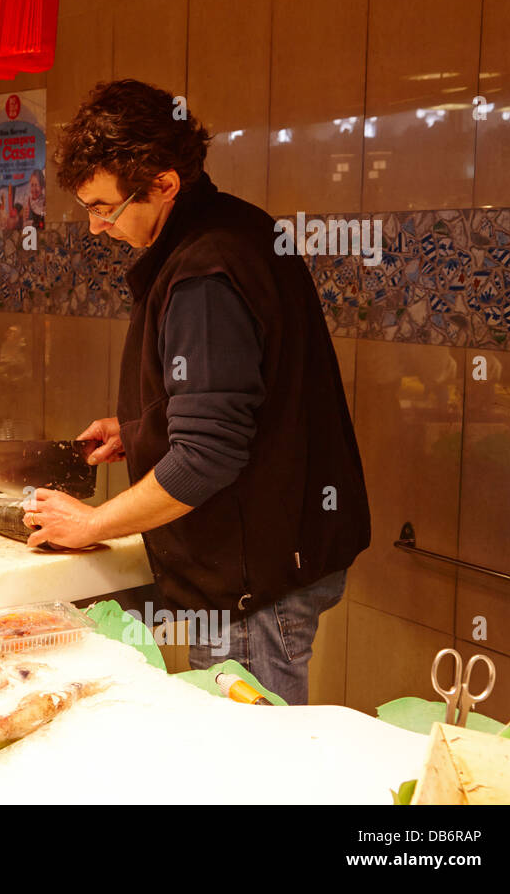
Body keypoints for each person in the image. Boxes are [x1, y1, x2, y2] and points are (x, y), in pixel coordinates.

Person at [29, 79, 370, 706]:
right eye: (88, 207)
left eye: (107, 206)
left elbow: (210, 454)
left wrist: (93, 522)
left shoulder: (205, 270)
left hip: (258, 579)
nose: (98, 227)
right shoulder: (236, 227)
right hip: (273, 554)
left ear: (164, 182)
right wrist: (140, 432)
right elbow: (240, 398)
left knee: (250, 768)